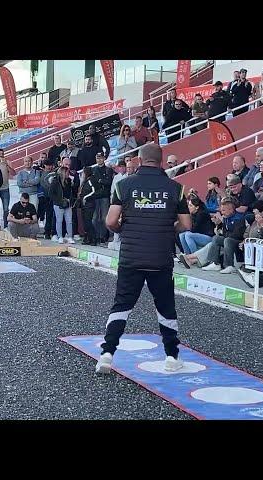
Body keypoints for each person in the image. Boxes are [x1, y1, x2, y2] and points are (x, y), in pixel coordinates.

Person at [95, 144, 191, 374]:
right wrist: (167, 229)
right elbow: (186, 225)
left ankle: (107, 355)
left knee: (122, 305)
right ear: (160, 161)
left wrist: (124, 230)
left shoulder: (124, 185)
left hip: (131, 256)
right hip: (160, 257)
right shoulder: (175, 188)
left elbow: (110, 221)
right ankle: (171, 356)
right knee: (165, 306)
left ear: (139, 160)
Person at [0, 148, 13, 229]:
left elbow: (13, 173)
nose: (1, 155)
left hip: (5, 188)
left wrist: (6, 165)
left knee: (6, 209)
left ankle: (6, 226)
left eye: (2, 154)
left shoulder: (7, 162)